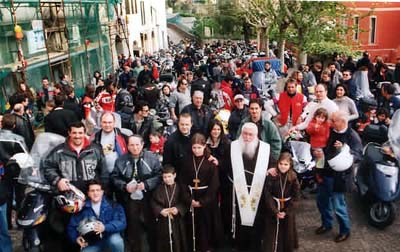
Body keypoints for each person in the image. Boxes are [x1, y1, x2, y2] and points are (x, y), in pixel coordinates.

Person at [227, 122, 277, 251]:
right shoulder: (233, 147)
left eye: (250, 134)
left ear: (256, 135)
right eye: (245, 133)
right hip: (239, 192)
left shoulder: (265, 149)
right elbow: (225, 164)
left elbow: (272, 163)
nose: (247, 137)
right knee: (240, 221)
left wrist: (272, 168)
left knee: (257, 222)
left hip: (258, 192)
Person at [315, 111, 362, 242]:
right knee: (322, 201)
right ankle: (326, 224)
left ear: (342, 122)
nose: (330, 122)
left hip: (340, 177)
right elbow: (325, 147)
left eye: (333, 120)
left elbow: (358, 155)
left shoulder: (352, 136)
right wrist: (320, 153)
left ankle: (345, 230)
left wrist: (345, 149)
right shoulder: (331, 131)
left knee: (338, 205)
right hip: (326, 172)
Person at [110, 135, 161, 252]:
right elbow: (114, 177)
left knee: (151, 226)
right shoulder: (121, 160)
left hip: (148, 197)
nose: (135, 147)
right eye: (132, 145)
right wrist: (124, 186)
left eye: (137, 144)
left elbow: (159, 175)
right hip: (130, 199)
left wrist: (147, 184)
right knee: (133, 227)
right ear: (127, 146)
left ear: (142, 145)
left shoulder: (152, 158)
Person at [179, 133, 223, 252]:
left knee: (206, 225)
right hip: (191, 197)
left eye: (199, 147)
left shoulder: (210, 162)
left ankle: (207, 247)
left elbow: (214, 184)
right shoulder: (186, 161)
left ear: (204, 146)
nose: (196, 150)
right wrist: (189, 199)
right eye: (194, 147)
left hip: (207, 200)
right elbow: (182, 182)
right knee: (193, 226)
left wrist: (203, 201)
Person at [67, 180, 126, 252]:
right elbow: (71, 227)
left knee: (116, 241)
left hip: (110, 237)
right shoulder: (82, 208)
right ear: (88, 193)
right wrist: (76, 238)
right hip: (93, 242)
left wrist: (105, 227)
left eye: (98, 190)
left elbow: (122, 222)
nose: (95, 193)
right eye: (92, 191)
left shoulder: (113, 205)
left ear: (102, 192)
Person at [264, 152, 300, 252]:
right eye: (281, 164)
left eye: (286, 164)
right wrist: (275, 211)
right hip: (274, 206)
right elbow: (267, 194)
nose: (283, 167)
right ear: (277, 163)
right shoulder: (272, 176)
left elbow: (296, 197)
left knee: (287, 230)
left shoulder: (293, 177)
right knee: (272, 230)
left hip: (287, 207)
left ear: (290, 165)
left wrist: (287, 211)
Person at [151, 165, 190, 252]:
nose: (167, 179)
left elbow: (185, 202)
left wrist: (178, 209)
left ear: (174, 175)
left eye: (169, 176)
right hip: (164, 221)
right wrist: (160, 210)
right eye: (165, 177)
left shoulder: (180, 188)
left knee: (178, 240)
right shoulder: (159, 189)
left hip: (177, 220)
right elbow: (154, 202)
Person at [0, 114, 28, 232]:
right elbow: (25, 155)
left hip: (3, 171)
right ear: (14, 125)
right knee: (20, 196)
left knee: (6, 197)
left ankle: (7, 224)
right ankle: (20, 221)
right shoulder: (18, 138)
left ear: (2, 124)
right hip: (17, 170)